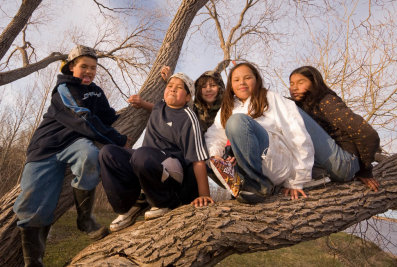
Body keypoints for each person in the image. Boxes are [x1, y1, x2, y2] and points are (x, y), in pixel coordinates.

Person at [13, 45, 130, 266]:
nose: (89, 71)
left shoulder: (96, 91)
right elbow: (81, 117)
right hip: (45, 146)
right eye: (83, 66)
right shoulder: (64, 88)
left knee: (89, 156)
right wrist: (118, 139)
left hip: (74, 142)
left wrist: (134, 105)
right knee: (32, 203)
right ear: (70, 67)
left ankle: (85, 219)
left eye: (93, 68)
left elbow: (108, 115)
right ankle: (33, 261)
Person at [99, 72, 214, 232]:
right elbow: (158, 104)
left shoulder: (189, 117)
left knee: (142, 154)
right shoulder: (160, 105)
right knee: (108, 153)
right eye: (170, 86)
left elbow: (198, 160)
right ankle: (127, 207)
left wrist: (204, 194)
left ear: (188, 98)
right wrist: (141, 102)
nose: (173, 89)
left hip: (172, 169)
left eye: (179, 88)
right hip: (145, 161)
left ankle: (162, 202)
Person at [205, 62, 315, 203]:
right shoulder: (228, 107)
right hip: (245, 165)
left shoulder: (271, 98)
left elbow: (296, 134)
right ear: (231, 85)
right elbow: (214, 136)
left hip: (275, 161)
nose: (242, 83)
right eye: (236, 80)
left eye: (247, 78)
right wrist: (216, 156)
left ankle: (256, 185)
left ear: (256, 80)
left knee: (237, 122)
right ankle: (243, 186)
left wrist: (297, 180)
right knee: (206, 160)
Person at [288, 65, 380, 192]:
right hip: (324, 167)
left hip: (345, 163)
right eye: (291, 83)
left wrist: (364, 170)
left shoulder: (326, 101)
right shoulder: (304, 107)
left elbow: (368, 134)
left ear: (314, 83)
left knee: (284, 107)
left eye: (300, 82)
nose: (294, 88)